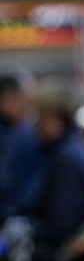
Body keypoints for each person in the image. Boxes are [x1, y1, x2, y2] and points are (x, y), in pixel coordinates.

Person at [31, 84, 84, 256]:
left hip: (78, 260)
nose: (35, 124)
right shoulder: (78, 148)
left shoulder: (65, 157)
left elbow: (60, 223)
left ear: (55, 117)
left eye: (40, 116)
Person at [0, 70, 42, 223]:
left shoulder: (22, 131)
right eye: (25, 102)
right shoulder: (18, 133)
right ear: (8, 99)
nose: (28, 110)